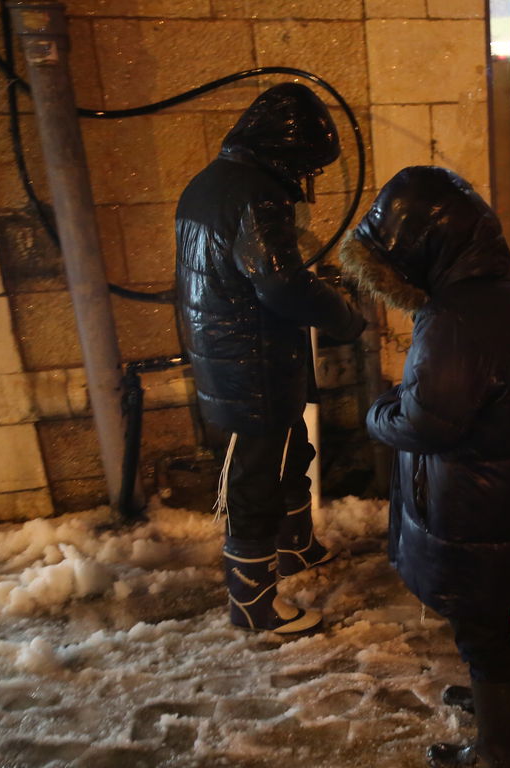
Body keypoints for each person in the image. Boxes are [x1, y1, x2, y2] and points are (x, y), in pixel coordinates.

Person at [341, 166, 510, 768]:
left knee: (481, 621)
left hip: (473, 503)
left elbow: (429, 420)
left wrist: (380, 412)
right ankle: (505, 707)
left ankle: (498, 753)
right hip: (508, 490)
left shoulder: (457, 317)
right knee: (503, 607)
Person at [175, 83, 366, 635]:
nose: (310, 178)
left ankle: (294, 547)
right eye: (308, 164)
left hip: (228, 347)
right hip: (252, 356)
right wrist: (344, 316)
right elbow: (281, 285)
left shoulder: (209, 183)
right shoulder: (259, 194)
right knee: (258, 475)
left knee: (288, 450)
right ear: (287, 151)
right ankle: (253, 602)